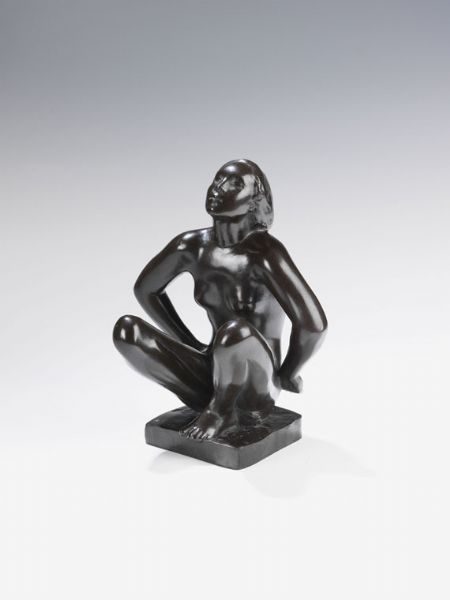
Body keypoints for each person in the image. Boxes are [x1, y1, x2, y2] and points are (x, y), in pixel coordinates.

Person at [113, 159, 327, 440]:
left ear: (254, 201)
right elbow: (146, 290)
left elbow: (313, 324)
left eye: (234, 184)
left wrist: (287, 373)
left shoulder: (266, 254)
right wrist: (188, 343)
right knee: (127, 331)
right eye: (218, 180)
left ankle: (222, 412)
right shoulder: (191, 246)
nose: (218, 188)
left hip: (257, 385)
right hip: (212, 372)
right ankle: (215, 402)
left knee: (235, 333)